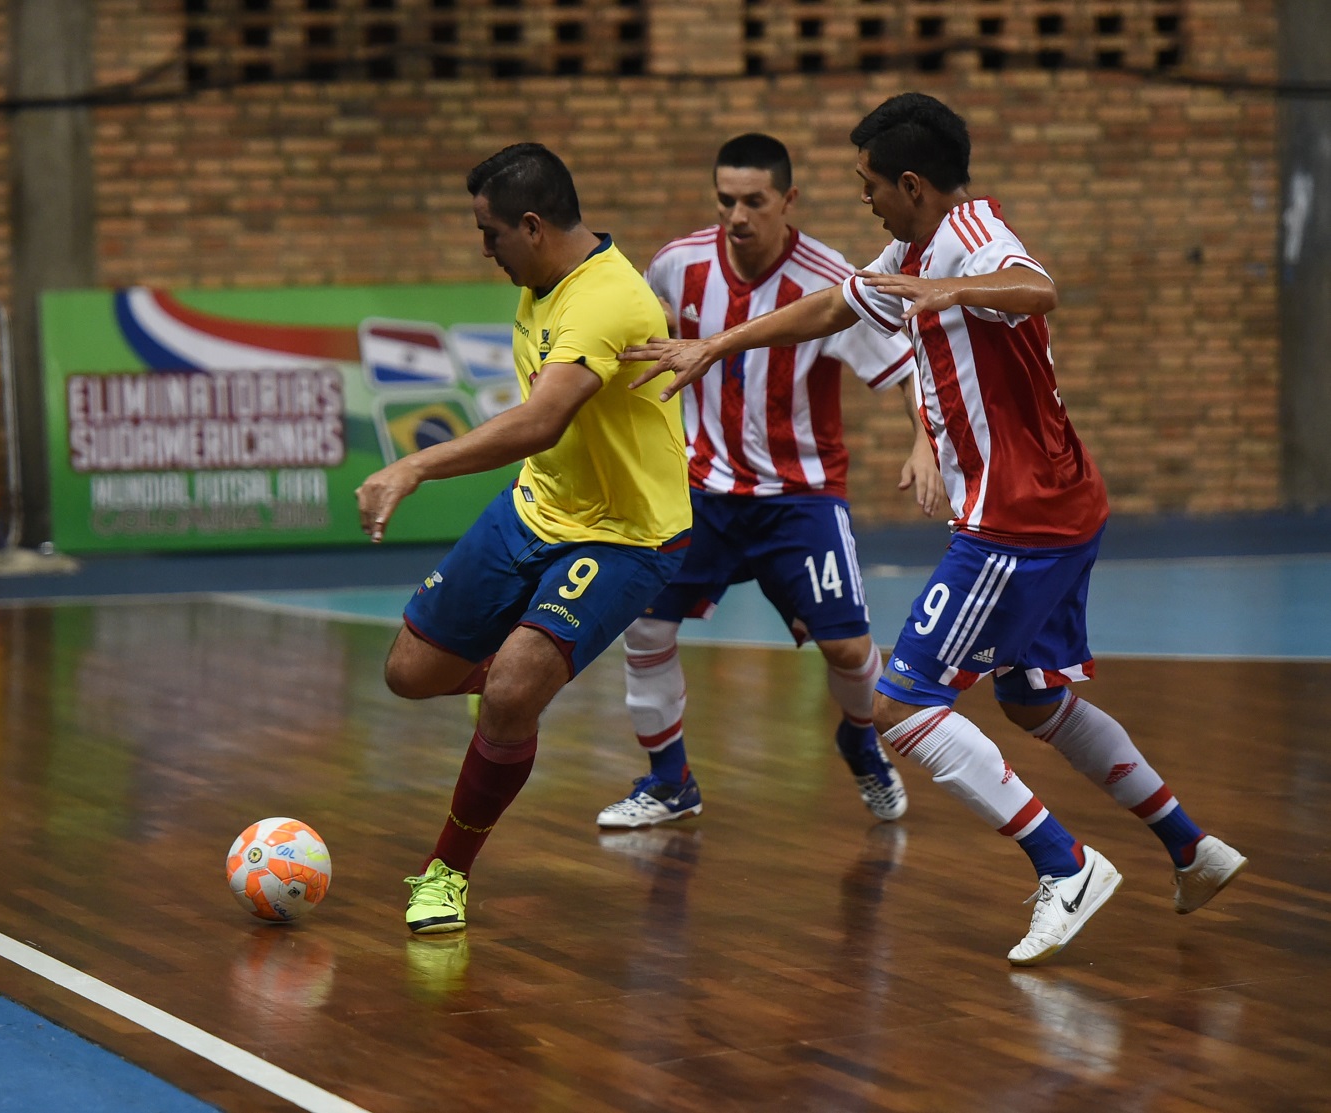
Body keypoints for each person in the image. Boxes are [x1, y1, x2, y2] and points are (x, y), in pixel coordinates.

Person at [623, 93, 1246, 966]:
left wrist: (952, 286)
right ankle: (1190, 845)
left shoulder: (972, 236)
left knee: (900, 706)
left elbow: (1040, 288)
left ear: (912, 184)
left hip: (1015, 520)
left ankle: (1064, 866)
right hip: (1059, 507)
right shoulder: (911, 247)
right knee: (1031, 697)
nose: (864, 197)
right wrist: (715, 347)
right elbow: (835, 309)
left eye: (869, 184)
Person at [355, 142, 693, 934]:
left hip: (626, 534)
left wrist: (414, 467)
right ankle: (524, 683)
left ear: (533, 226)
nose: (485, 251)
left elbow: (542, 419)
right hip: (537, 507)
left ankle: (446, 872)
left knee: (507, 693)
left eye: (491, 234)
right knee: (409, 673)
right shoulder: (541, 281)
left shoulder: (608, 298)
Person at [596, 133, 941, 831]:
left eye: (755, 201)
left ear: (788, 200)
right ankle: (670, 782)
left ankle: (860, 739)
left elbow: (905, 366)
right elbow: (642, 331)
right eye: (726, 201)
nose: (738, 216)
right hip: (699, 492)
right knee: (645, 624)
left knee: (848, 648)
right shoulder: (677, 265)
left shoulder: (827, 278)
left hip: (801, 497)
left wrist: (924, 442)